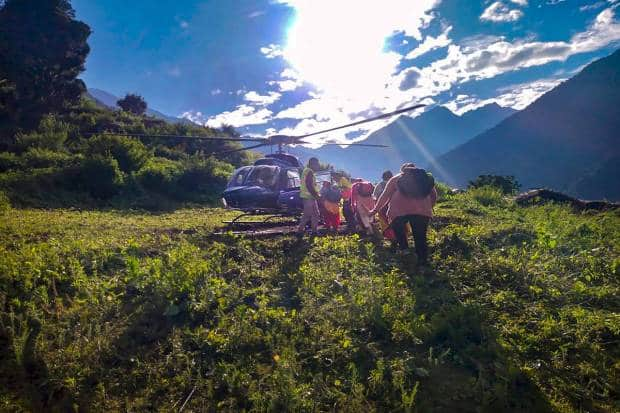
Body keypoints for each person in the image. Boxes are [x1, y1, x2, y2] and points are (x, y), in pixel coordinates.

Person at [369, 164, 437, 265]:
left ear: (403, 171)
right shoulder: (424, 178)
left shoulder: (396, 178)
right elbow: (434, 195)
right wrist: (430, 207)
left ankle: (405, 251)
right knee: (420, 236)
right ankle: (422, 260)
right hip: (422, 211)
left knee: (399, 229)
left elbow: (385, 196)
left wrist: (375, 210)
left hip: (399, 211)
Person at [297, 157, 322, 236]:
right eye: (317, 164)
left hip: (310, 197)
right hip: (308, 197)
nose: (318, 166)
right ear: (313, 164)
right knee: (307, 214)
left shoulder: (306, 170)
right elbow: (309, 185)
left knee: (316, 214)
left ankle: (314, 231)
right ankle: (300, 231)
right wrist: (316, 195)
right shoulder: (309, 172)